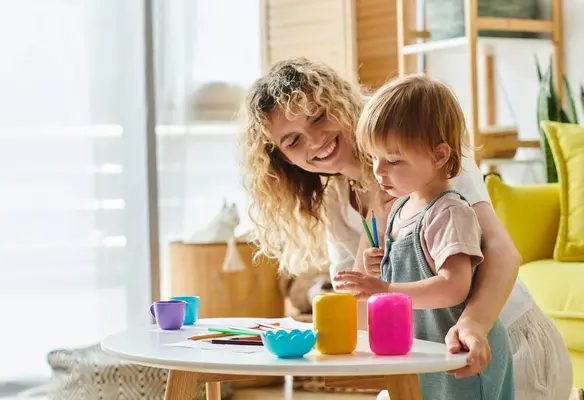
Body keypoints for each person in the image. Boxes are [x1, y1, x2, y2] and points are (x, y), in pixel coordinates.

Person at [240, 57, 572, 399]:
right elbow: (360, 317)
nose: (314, 140)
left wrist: (473, 324)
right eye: (293, 141)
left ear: (339, 101)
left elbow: (502, 252)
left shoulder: (425, 150)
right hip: (431, 361)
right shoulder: (337, 202)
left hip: (503, 342)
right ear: (282, 158)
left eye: (320, 116)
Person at [334, 75, 515, 399]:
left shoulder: (448, 211)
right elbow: (413, 270)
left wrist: (385, 289)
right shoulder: (402, 207)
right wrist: (380, 266)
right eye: (374, 158)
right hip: (429, 353)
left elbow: (453, 286)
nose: (378, 171)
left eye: (393, 160)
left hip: (463, 355)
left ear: (438, 156)